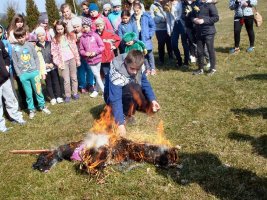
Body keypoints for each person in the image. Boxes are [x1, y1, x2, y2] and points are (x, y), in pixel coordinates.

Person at [104, 50, 160, 136]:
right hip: (111, 94)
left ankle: (127, 114)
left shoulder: (138, 65)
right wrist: (120, 124)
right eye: (132, 68)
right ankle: (117, 114)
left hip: (127, 88)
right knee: (128, 91)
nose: (134, 72)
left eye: (137, 69)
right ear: (126, 63)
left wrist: (153, 100)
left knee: (136, 88)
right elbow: (115, 98)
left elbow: (144, 82)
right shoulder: (117, 72)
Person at [12, 27, 51, 119]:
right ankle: (31, 109)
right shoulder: (14, 49)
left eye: (22, 36)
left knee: (38, 91)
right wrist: (20, 75)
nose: (20, 39)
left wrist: (37, 70)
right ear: (16, 38)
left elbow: (36, 58)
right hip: (24, 75)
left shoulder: (30, 45)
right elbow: (15, 62)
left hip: (34, 73)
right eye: (18, 37)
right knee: (28, 94)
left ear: (25, 35)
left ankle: (42, 106)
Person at [51, 20, 81, 103]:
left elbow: (75, 49)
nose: (60, 31)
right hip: (63, 61)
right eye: (58, 29)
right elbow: (54, 52)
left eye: (61, 29)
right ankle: (67, 95)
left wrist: (77, 59)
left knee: (74, 77)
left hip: (72, 59)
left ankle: (75, 93)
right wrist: (58, 63)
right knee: (66, 80)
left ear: (64, 28)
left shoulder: (70, 36)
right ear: (55, 30)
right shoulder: (54, 40)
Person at [0, 39, 26, 132]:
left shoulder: (0, 43)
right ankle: (1, 126)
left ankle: (16, 117)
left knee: (11, 98)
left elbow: (6, 56)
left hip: (4, 77)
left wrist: (6, 66)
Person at [35, 26, 64, 105]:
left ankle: (58, 96)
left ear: (45, 35)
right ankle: (52, 97)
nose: (41, 37)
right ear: (37, 37)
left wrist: (52, 63)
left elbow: (54, 53)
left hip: (53, 65)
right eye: (39, 36)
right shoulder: (36, 47)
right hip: (44, 68)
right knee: (48, 83)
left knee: (56, 81)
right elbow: (38, 58)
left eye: (42, 35)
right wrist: (45, 65)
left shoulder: (50, 43)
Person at [191, 0, 219, 75]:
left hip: (209, 31)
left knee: (210, 50)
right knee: (199, 51)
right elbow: (192, 15)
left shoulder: (210, 5)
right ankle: (200, 69)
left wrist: (204, 20)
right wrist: (194, 19)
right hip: (199, 31)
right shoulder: (196, 4)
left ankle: (213, 69)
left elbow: (216, 17)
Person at [79, 17, 105, 98]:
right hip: (90, 61)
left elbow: (102, 46)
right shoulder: (82, 38)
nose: (85, 29)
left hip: (98, 58)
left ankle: (96, 90)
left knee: (97, 75)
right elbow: (81, 50)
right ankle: (105, 91)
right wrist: (86, 53)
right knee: (97, 75)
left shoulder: (95, 35)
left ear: (90, 26)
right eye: (84, 27)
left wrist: (95, 52)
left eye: (87, 27)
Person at [71, 16, 95, 94]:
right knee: (81, 71)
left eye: (78, 26)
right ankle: (82, 85)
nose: (76, 28)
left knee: (89, 69)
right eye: (74, 27)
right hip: (78, 55)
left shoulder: (85, 32)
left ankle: (90, 84)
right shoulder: (72, 34)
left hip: (87, 54)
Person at [131, 2, 156, 75]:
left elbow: (153, 26)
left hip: (146, 36)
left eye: (137, 11)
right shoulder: (132, 17)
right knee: (142, 53)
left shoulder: (146, 16)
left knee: (149, 53)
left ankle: (153, 68)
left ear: (140, 9)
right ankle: (147, 68)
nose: (136, 12)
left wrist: (150, 34)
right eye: (134, 11)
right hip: (138, 37)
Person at [165, 0, 190, 68]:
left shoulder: (181, 3)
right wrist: (169, 30)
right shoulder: (168, 4)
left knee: (184, 44)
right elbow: (168, 18)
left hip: (182, 24)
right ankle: (179, 60)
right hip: (174, 26)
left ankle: (186, 62)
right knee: (174, 45)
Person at [150, 0, 173, 65]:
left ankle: (171, 58)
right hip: (159, 29)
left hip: (168, 28)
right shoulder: (153, 6)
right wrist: (161, 19)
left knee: (169, 44)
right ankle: (161, 59)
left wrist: (168, 19)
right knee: (161, 44)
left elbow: (171, 13)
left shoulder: (168, 3)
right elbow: (152, 17)